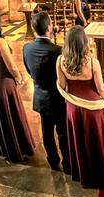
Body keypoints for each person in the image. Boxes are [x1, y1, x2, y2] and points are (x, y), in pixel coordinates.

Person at [56, 26, 104, 188]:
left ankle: (83, 173)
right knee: (96, 140)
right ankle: (101, 172)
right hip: (93, 109)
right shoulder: (92, 63)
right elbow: (101, 89)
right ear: (84, 43)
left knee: (79, 141)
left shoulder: (60, 61)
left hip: (73, 109)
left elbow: (62, 86)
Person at [0, 12, 34, 162]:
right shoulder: (0, 42)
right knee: (11, 114)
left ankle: (2, 147)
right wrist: (19, 77)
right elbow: (11, 66)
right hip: (2, 81)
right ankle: (16, 149)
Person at [23, 12, 69, 172]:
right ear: (50, 27)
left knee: (46, 131)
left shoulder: (27, 48)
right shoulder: (58, 50)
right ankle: (68, 163)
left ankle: (53, 161)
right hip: (57, 97)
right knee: (63, 132)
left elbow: (29, 70)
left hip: (41, 96)